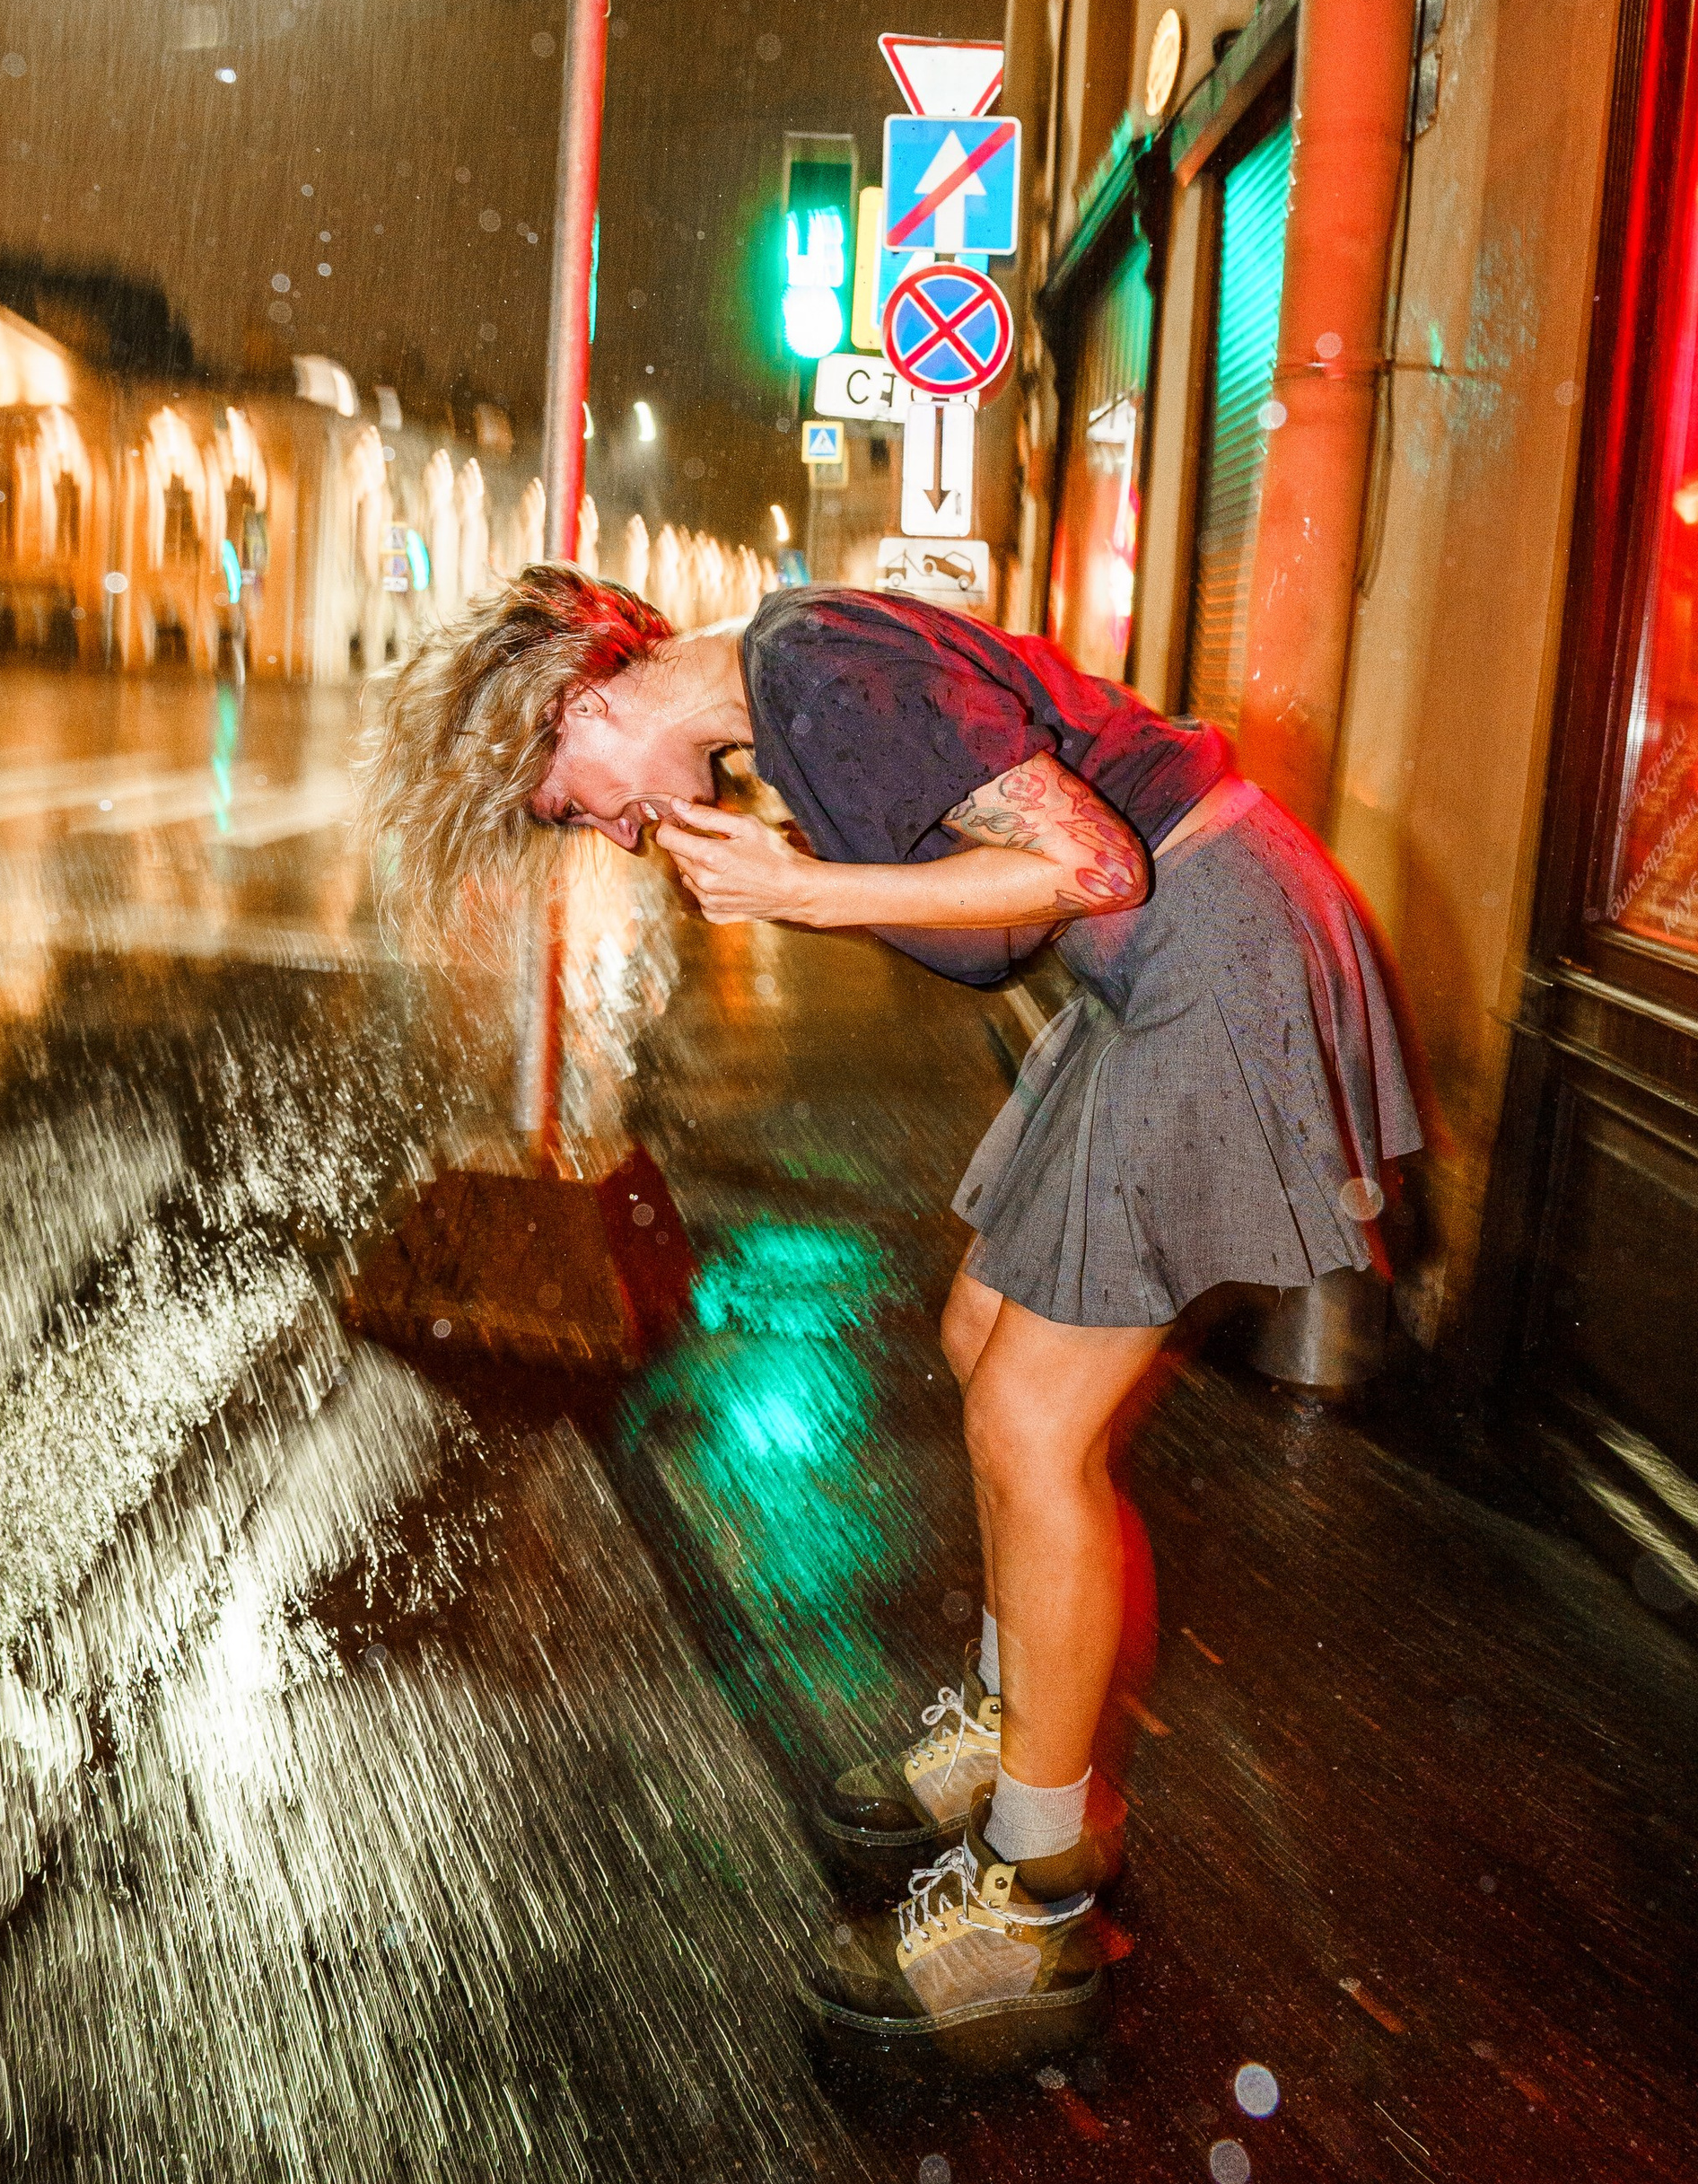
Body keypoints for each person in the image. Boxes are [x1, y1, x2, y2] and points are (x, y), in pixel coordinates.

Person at [363, 567, 1422, 2074]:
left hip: (1207, 944)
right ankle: (1015, 1726)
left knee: (1030, 1422)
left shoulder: (815, 666)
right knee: (985, 1337)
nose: (594, 823)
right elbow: (998, 931)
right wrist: (816, 857)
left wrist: (809, 888)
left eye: (561, 792)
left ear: (584, 699)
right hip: (1163, 954)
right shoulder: (803, 709)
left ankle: (1038, 1897)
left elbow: (1094, 869)